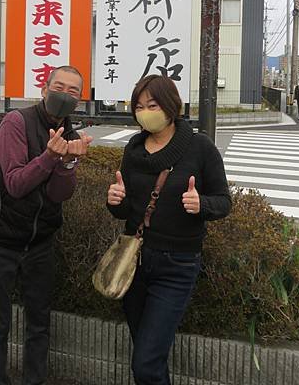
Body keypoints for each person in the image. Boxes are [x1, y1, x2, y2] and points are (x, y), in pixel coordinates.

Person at [106, 75, 231, 385]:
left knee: (145, 364)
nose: (145, 111)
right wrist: (115, 201)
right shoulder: (134, 148)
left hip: (177, 266)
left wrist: (201, 204)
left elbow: (224, 201)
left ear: (171, 106)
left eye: (152, 104)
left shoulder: (199, 146)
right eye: (138, 106)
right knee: (147, 357)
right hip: (133, 263)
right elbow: (126, 211)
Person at [0, 65, 93, 385]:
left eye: (73, 92)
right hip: (0, 240)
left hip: (41, 242)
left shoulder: (69, 134)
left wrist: (67, 163)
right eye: (59, 87)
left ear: (80, 100)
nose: (64, 96)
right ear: (44, 88)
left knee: (39, 324)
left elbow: (58, 194)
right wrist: (49, 158)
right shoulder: (16, 122)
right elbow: (14, 184)